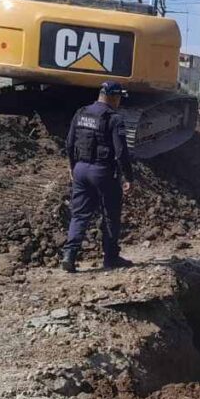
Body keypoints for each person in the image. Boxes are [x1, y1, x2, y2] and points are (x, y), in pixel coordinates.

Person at [62, 81, 134, 272]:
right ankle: (111, 258)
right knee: (110, 215)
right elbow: (121, 152)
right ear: (113, 97)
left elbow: (69, 143)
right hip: (102, 172)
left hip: (80, 169)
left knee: (79, 215)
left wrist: (72, 166)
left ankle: (69, 255)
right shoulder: (114, 119)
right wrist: (128, 177)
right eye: (119, 97)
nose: (120, 101)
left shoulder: (81, 112)